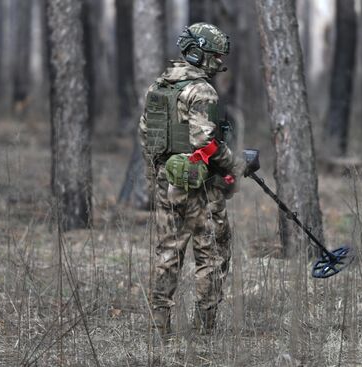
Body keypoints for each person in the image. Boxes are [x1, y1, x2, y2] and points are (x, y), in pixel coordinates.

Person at [138, 23, 245, 339]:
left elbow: (147, 135)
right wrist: (235, 164)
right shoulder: (201, 90)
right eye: (214, 56)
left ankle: (159, 328)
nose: (217, 63)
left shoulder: (159, 86)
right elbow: (204, 142)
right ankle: (204, 331)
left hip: (165, 180)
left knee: (166, 254)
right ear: (198, 52)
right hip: (199, 187)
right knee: (212, 253)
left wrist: (158, 175)